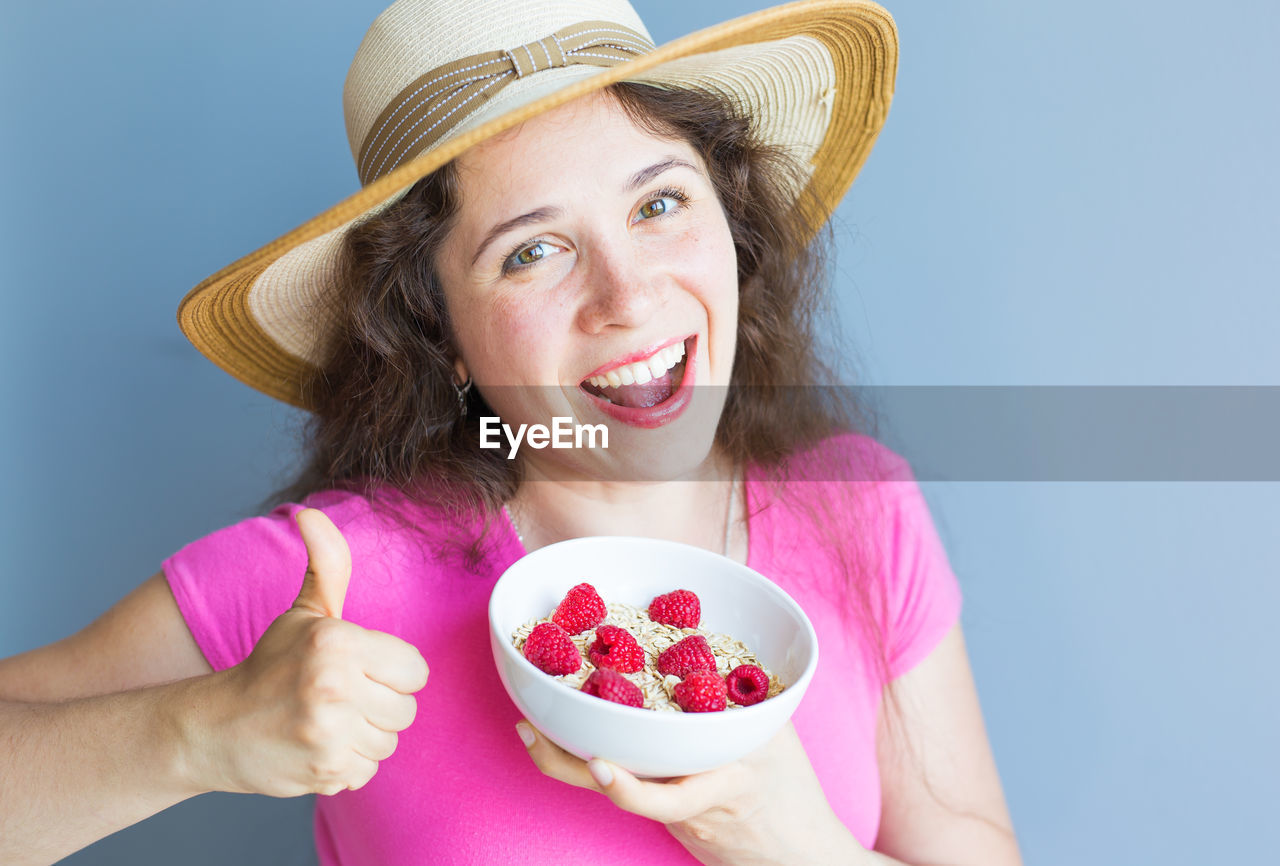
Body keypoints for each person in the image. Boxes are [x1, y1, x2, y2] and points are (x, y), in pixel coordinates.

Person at [0, 0, 1022, 864]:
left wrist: (785, 835)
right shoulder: (342, 574)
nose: (626, 297)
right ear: (437, 333)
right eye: (532, 252)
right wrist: (197, 733)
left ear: (729, 218)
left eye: (658, 202)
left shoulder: (859, 506)